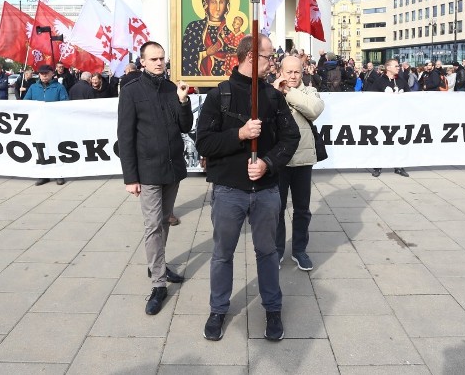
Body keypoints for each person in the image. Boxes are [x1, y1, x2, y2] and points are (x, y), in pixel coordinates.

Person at [196, 34, 300, 342]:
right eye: (268, 57)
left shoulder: (272, 96)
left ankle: (272, 308)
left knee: (267, 253)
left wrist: (268, 162)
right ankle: (218, 310)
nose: (273, 63)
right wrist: (239, 134)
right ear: (251, 57)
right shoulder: (220, 95)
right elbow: (203, 142)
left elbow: (290, 138)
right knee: (222, 254)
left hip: (266, 190)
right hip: (229, 190)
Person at [118, 41, 193, 315]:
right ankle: (158, 283)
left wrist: (183, 101)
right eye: (154, 59)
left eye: (162, 58)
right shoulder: (131, 92)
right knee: (152, 225)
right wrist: (130, 177)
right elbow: (125, 136)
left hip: (172, 168)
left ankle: (158, 263)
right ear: (143, 62)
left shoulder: (173, 88)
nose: (159, 62)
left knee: (164, 221)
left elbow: (185, 126)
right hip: (147, 170)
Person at [272, 55, 324, 271]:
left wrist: (287, 92)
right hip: (278, 160)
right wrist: (277, 91)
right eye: (288, 72)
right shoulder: (270, 90)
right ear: (280, 72)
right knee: (276, 209)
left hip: (303, 160)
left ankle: (299, 250)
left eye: (297, 72)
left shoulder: (308, 91)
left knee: (302, 209)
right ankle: (276, 251)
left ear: (302, 73)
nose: (293, 76)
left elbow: (314, 109)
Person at [364, 58, 410, 177]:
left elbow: (410, 96)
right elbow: (373, 98)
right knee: (381, 141)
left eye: (398, 66)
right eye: (396, 66)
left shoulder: (402, 81)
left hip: (398, 117)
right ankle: (378, 166)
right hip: (383, 118)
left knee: (399, 142)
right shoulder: (380, 81)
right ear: (388, 68)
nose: (398, 67)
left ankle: (399, 166)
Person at [23, 64, 69, 185]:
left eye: (46, 73)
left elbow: (65, 104)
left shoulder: (59, 87)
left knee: (56, 149)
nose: (43, 76)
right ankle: (44, 175)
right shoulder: (33, 87)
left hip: (54, 124)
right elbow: (26, 103)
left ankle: (59, 174)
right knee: (42, 150)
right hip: (39, 124)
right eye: (41, 74)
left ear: (52, 74)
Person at [182, 0, 236, 76]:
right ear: (206, 3)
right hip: (201, 83)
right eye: (213, 2)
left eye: (222, 2)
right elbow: (186, 57)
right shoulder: (194, 27)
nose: (218, 8)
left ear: (227, 5)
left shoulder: (231, 29)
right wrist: (206, 53)